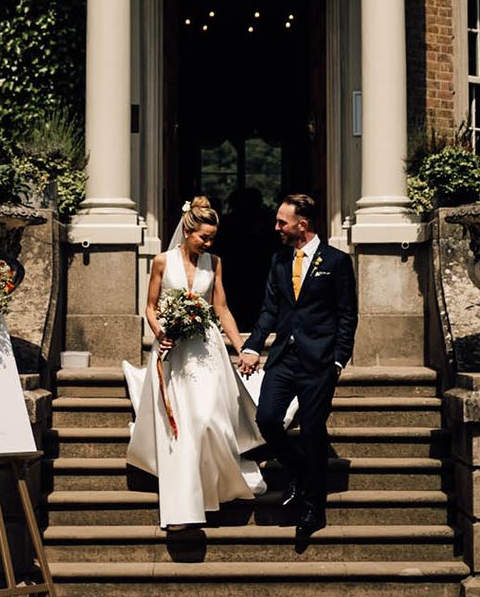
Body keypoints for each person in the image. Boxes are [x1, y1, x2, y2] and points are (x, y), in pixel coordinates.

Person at [123, 196, 265, 530]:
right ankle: (185, 506)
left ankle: (215, 486)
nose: (208, 242)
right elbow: (151, 307)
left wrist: (242, 347)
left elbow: (222, 309)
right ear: (187, 232)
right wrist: (161, 332)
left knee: (208, 419)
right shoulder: (161, 262)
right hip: (174, 352)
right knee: (182, 426)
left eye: (212, 237)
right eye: (204, 237)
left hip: (206, 349)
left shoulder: (214, 263)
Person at [238, 192, 358, 538]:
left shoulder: (336, 261)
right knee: (268, 418)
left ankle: (313, 510)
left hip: (319, 361)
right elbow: (269, 311)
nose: (276, 227)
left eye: (282, 222)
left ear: (301, 225)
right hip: (283, 359)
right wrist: (252, 347)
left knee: (312, 430)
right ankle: (300, 470)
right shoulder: (278, 260)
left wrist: (338, 358)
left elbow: (347, 314)